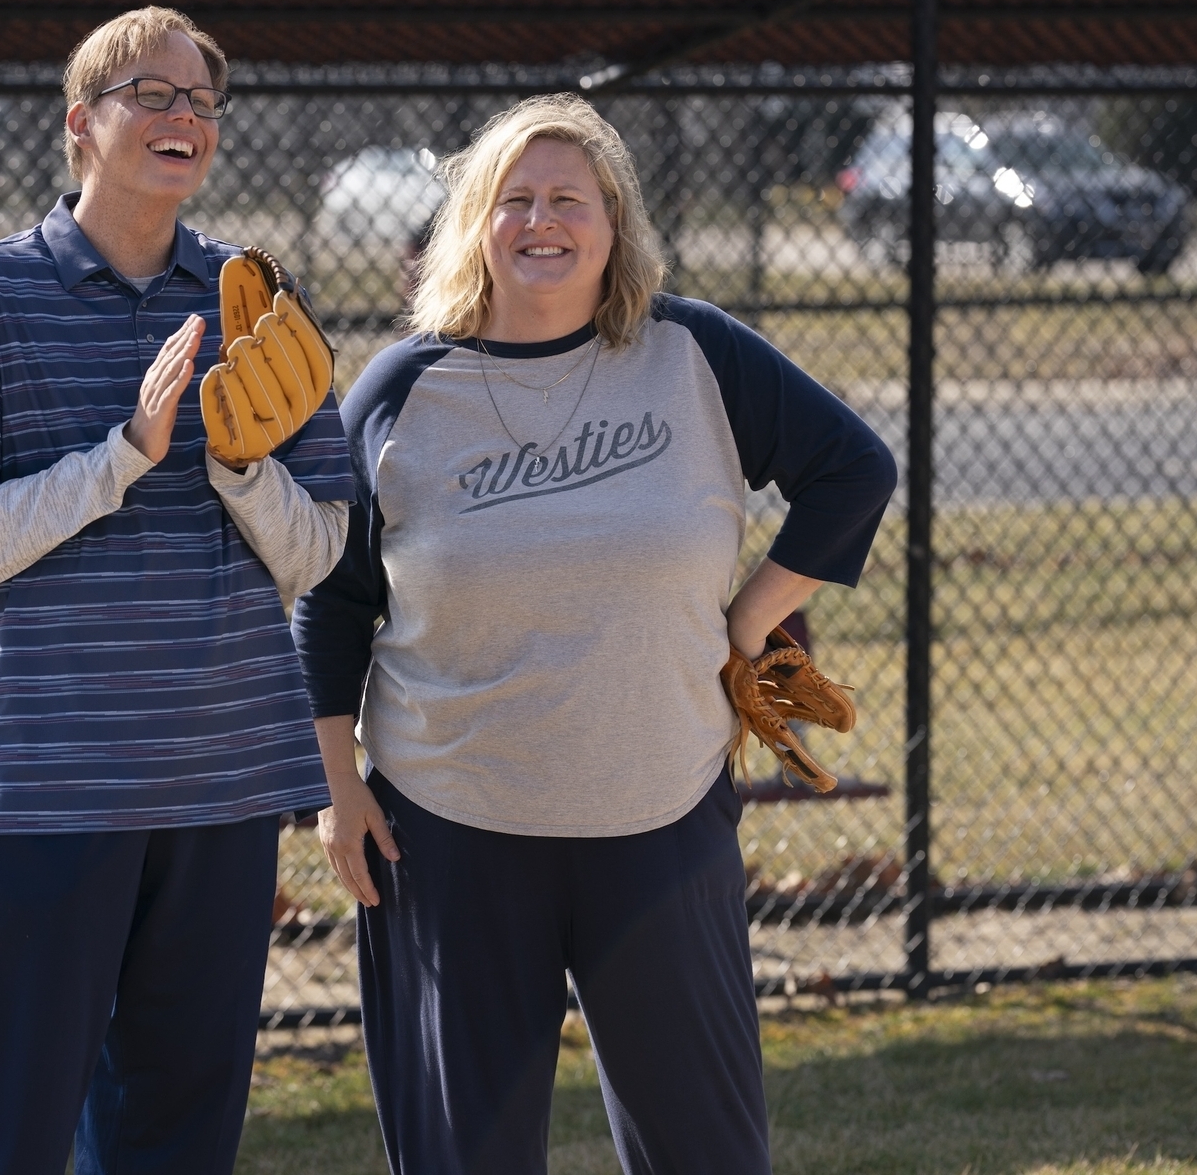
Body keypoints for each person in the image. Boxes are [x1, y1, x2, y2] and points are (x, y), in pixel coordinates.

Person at [292, 94, 896, 1175]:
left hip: (658, 814)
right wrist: (338, 788)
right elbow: (332, 601)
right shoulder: (404, 386)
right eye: (514, 198)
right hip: (450, 824)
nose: (542, 220)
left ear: (616, 224)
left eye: (571, 197)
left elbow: (855, 469)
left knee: (706, 1150)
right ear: (475, 223)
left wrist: (749, 621)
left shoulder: (694, 352)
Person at [0, 7, 353, 1174]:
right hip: (50, 780)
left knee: (175, 1129)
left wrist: (241, 468)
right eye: (153, 93)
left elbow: (318, 553)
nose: (182, 116)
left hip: (222, 776)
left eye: (200, 101)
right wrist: (124, 455)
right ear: (82, 124)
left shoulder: (260, 303)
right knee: (7, 1118)